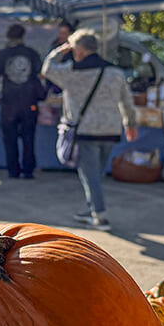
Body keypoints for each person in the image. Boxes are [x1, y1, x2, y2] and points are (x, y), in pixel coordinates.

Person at [42, 28, 138, 231]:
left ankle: (100, 216)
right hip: (111, 130)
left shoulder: (71, 73)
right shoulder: (116, 73)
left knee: (90, 175)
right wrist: (130, 124)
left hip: (86, 131)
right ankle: (90, 208)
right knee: (97, 173)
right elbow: (127, 102)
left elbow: (47, 70)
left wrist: (58, 51)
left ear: (79, 50)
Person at [0, 23, 44, 178]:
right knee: (29, 137)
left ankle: (13, 169)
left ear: (8, 37)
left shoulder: (2, 55)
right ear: (23, 36)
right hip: (29, 101)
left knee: (9, 138)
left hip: (9, 102)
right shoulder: (32, 53)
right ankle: (28, 170)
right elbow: (41, 76)